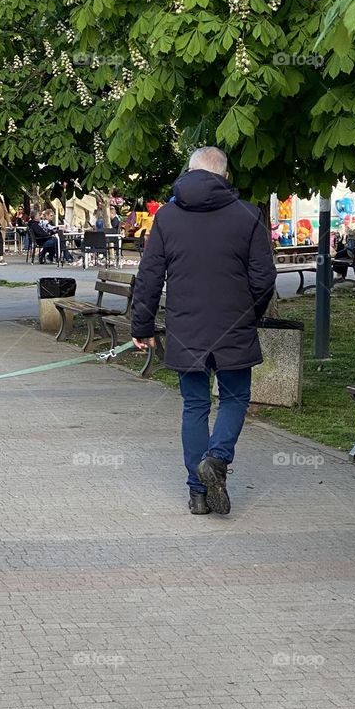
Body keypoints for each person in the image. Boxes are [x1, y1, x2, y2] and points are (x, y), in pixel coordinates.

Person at [131, 146, 276, 516]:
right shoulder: (248, 216)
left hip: (185, 328)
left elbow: (149, 276)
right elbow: (264, 279)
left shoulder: (167, 217)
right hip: (234, 326)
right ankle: (217, 458)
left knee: (194, 405)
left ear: (190, 173)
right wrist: (249, 314)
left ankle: (197, 494)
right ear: (225, 176)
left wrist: (142, 326)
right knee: (234, 398)